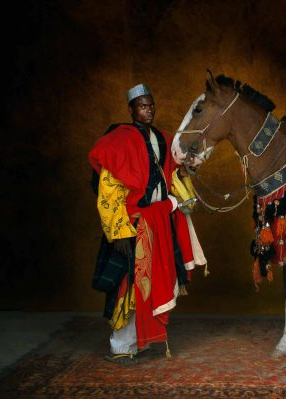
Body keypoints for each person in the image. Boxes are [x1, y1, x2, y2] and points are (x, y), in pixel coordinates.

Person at [88, 84, 201, 365]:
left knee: (154, 283)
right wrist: (119, 233)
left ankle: (141, 341)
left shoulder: (163, 138)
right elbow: (109, 189)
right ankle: (122, 346)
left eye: (151, 105)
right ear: (131, 109)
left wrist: (186, 177)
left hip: (159, 222)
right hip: (133, 225)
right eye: (142, 106)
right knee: (129, 284)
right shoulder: (118, 140)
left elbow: (172, 173)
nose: (148, 110)